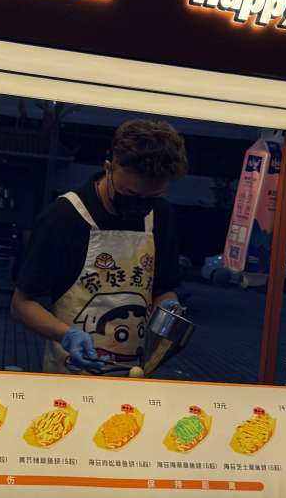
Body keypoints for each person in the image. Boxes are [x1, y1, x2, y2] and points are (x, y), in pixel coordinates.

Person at [10, 118, 187, 373]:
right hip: (70, 374)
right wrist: (66, 334)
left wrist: (168, 311)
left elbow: (163, 288)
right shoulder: (64, 217)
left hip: (134, 374)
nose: (141, 206)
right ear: (109, 168)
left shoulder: (160, 214)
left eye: (153, 197)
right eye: (131, 194)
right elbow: (21, 305)